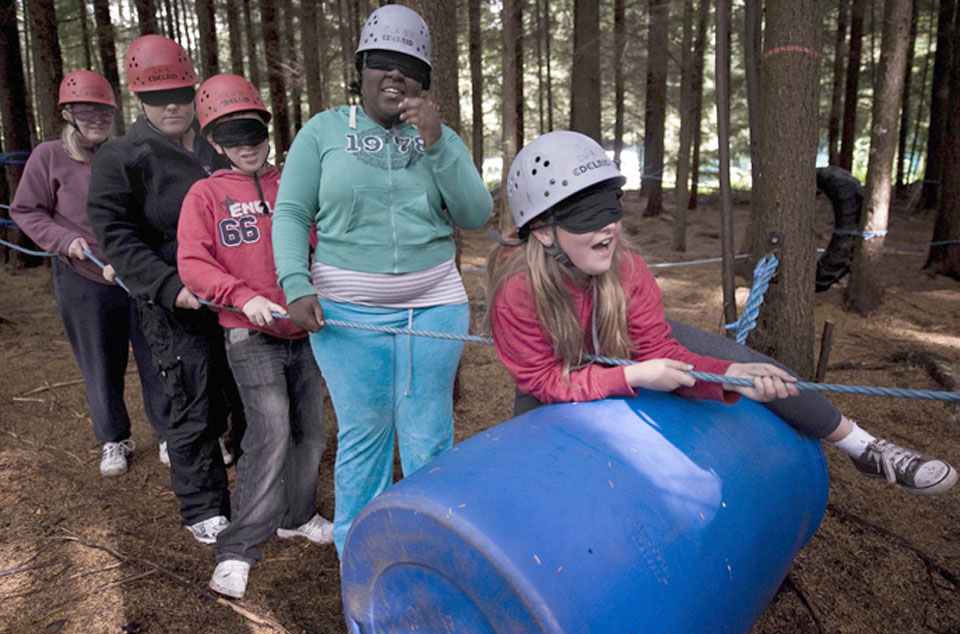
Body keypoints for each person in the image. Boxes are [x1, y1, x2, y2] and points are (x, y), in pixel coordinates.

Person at [487, 130, 957, 497]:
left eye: (610, 207)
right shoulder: (518, 292)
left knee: (751, 369)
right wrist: (632, 379)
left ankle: (864, 447)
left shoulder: (625, 266)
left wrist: (726, 375)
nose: (609, 226)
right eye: (587, 216)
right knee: (530, 464)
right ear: (544, 232)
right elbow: (545, 381)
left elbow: (656, 349)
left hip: (631, 348)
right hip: (558, 372)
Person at [272, 4, 494, 555]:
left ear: (424, 82)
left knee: (428, 436)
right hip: (347, 314)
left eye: (409, 66)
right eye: (381, 63)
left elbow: (474, 213)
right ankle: (361, 554)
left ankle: (433, 551)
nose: (395, 75)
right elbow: (292, 213)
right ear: (362, 71)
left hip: (434, 305)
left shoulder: (440, 137)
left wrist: (439, 142)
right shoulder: (323, 131)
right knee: (365, 435)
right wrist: (295, 283)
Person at [177, 74, 332, 599]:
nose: (248, 148)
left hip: (306, 331)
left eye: (256, 136)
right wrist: (243, 297)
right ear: (215, 142)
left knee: (311, 431)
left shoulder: (293, 182)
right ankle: (237, 550)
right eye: (235, 139)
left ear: (269, 132)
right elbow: (193, 263)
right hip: (250, 332)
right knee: (269, 434)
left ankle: (297, 513)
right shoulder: (206, 193)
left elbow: (322, 241)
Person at [87, 35, 238, 544]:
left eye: (179, 92)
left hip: (238, 298)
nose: (171, 105)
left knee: (247, 398)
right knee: (192, 404)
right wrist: (169, 286)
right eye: (156, 96)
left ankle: (266, 494)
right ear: (138, 100)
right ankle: (203, 507)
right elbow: (117, 237)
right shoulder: (121, 157)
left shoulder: (219, 145)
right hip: (176, 306)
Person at [10, 70, 169, 477]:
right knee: (99, 360)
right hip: (83, 275)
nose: (95, 118)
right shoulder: (49, 156)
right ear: (68, 113)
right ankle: (114, 437)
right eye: (85, 110)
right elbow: (25, 210)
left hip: (134, 272)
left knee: (157, 355)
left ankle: (168, 431)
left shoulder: (126, 153)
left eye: (102, 110)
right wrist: (62, 240)